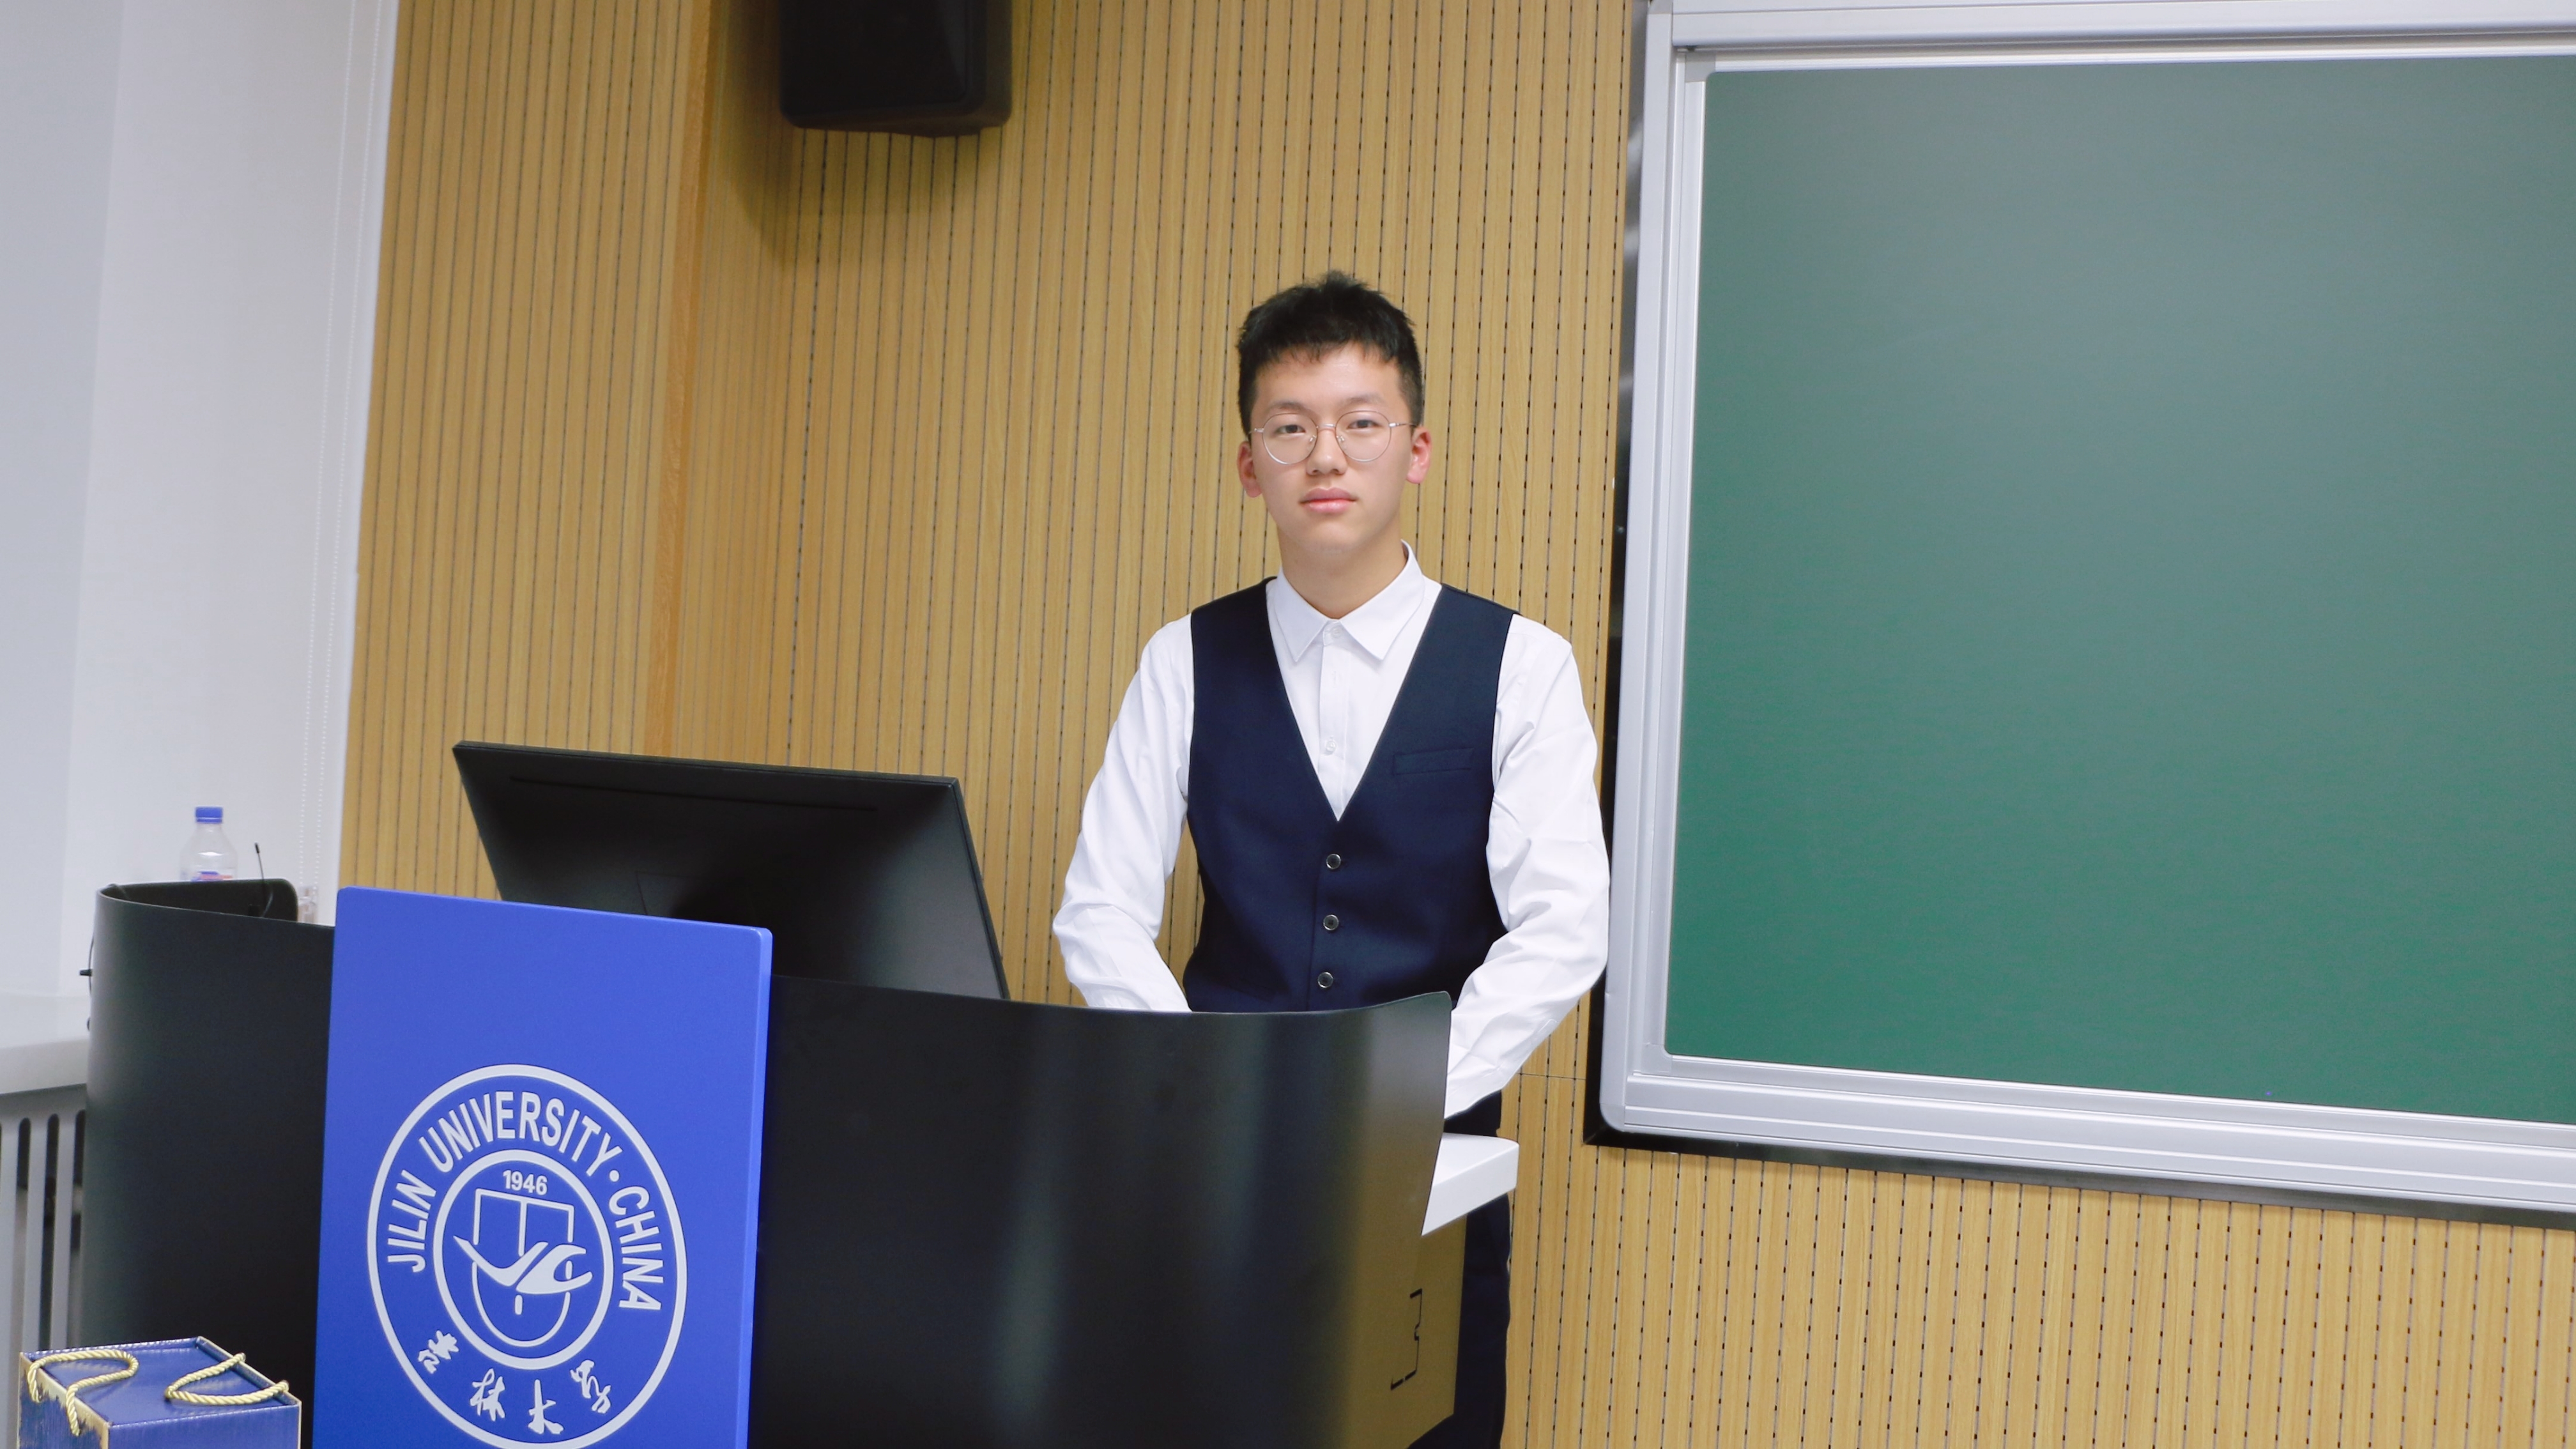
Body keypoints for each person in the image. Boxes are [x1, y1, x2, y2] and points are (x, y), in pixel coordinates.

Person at [1052, 271, 1610, 1448]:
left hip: (1428, 1176)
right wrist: (1208, 1089)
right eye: (1290, 428)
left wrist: (1398, 1102)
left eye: (1361, 423)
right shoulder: (1183, 660)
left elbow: (1566, 926)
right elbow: (1098, 911)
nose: (1326, 457)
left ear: (1415, 450)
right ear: (1248, 462)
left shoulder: (1522, 666)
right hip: (1210, 1175)